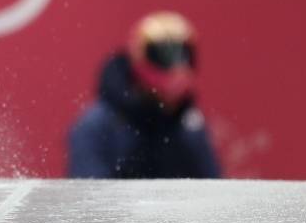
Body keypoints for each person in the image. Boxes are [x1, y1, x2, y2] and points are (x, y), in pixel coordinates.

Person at [68, 12, 220, 179]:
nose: (177, 67)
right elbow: (89, 194)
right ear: (139, 56)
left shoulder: (189, 123)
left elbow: (211, 187)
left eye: (184, 55)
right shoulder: (97, 126)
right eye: (164, 55)